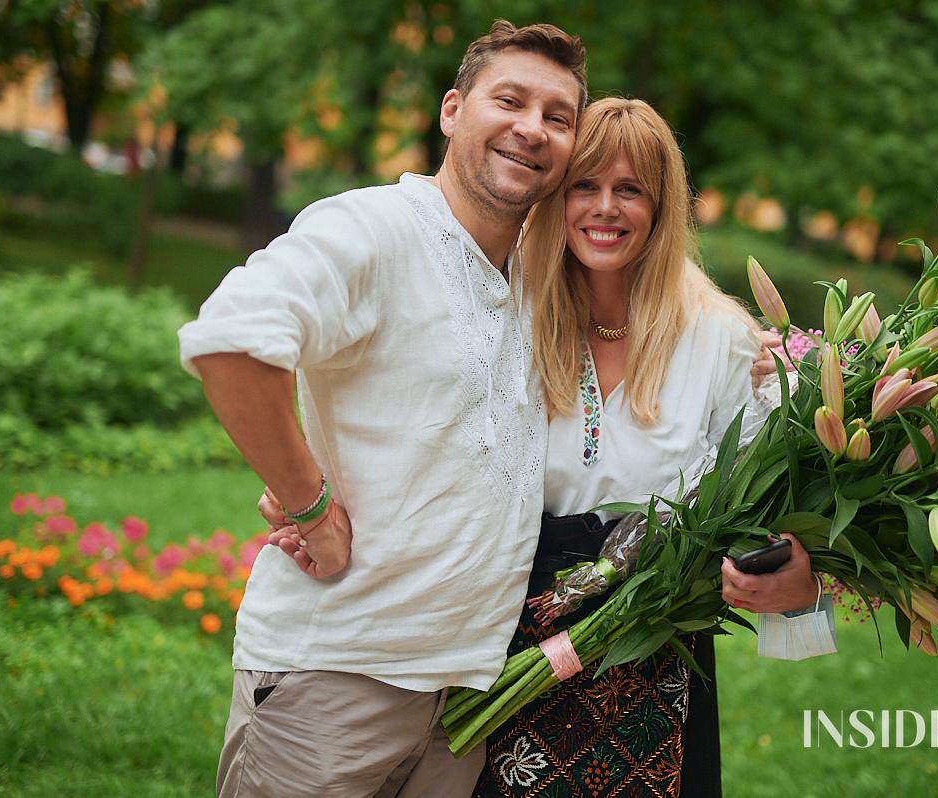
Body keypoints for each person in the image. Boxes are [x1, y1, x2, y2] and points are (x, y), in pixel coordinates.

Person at [177, 20, 588, 797]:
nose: (532, 129)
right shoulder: (372, 230)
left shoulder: (539, 279)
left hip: (466, 695)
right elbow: (231, 342)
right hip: (335, 676)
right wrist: (310, 501)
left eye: (558, 117)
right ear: (452, 110)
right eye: (510, 100)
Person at [471, 98, 826, 797]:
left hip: (651, 667)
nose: (605, 208)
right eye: (585, 185)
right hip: (499, 647)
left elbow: (763, 515)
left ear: (663, 207)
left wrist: (798, 597)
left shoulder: (721, 340)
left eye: (629, 189)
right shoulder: (508, 311)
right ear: (556, 195)